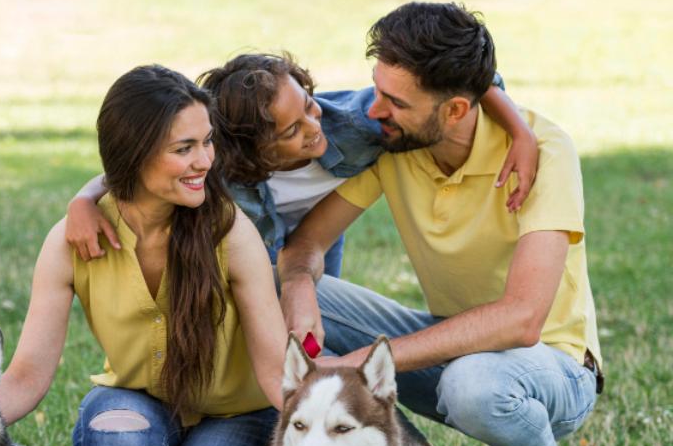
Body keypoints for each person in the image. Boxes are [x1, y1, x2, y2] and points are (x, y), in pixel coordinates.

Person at [278, 2, 601, 446]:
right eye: (376, 89)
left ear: (454, 110)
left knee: (473, 384)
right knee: (267, 286)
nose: (375, 111)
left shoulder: (545, 150)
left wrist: (359, 365)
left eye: (396, 101)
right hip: (451, 342)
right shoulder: (397, 142)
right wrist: (299, 286)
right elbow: (306, 245)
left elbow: (523, 321)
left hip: (551, 369)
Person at [0, 64, 290, 446]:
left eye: (207, 142)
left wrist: (333, 434)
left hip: (237, 415)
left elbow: (277, 370)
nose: (205, 162)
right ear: (135, 156)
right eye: (184, 149)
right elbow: (25, 375)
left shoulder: (229, 232)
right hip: (143, 403)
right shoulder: (74, 238)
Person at [64, 53, 539, 278]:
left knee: (319, 317)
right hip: (262, 244)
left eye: (309, 104)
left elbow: (465, 74)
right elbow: (140, 164)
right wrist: (84, 201)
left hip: (320, 234)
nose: (313, 128)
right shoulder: (218, 167)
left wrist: (519, 131)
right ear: (250, 150)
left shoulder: (354, 123)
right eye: (290, 132)